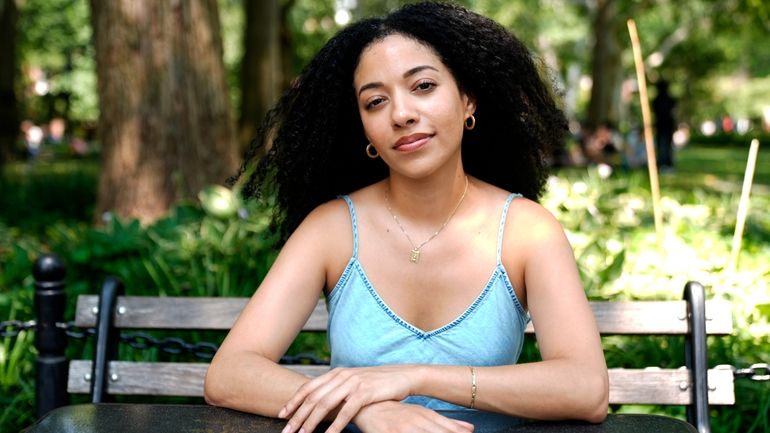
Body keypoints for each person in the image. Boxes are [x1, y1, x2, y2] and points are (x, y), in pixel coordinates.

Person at [204, 2, 609, 432]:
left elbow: (585, 387)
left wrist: (413, 376)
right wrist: (364, 407)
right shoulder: (333, 229)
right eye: (376, 101)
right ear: (363, 128)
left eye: (423, 86)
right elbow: (229, 373)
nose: (401, 114)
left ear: (467, 99)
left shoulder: (527, 232)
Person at [652, 80, 676, 170]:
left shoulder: (657, 100)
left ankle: (665, 164)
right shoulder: (669, 99)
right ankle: (665, 164)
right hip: (665, 125)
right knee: (666, 145)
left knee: (663, 145)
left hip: (663, 125)